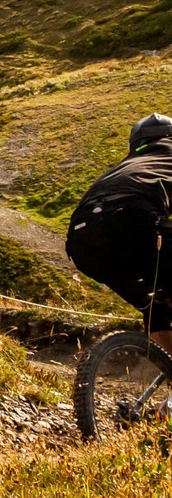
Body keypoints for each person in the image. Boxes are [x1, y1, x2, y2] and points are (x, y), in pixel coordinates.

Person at [66, 113, 172, 353]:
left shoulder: (124, 166)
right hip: (131, 220)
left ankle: (167, 366)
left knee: (154, 306)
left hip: (81, 239)